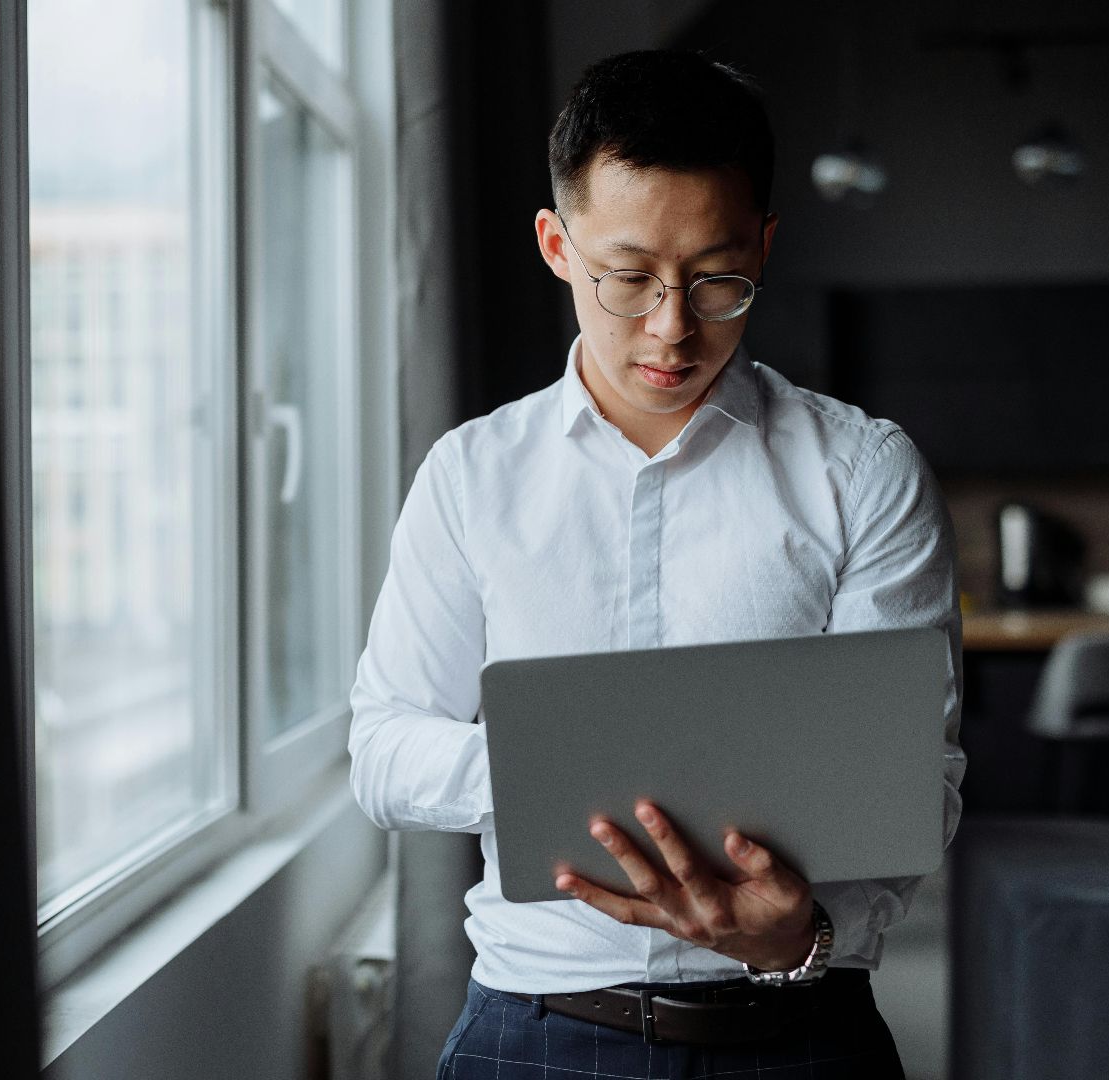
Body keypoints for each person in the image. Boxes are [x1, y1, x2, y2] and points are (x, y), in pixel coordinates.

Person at [347, 50, 962, 1078]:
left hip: (797, 1031)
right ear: (556, 244)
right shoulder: (470, 476)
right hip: (530, 1035)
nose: (671, 328)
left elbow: (919, 788)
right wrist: (564, 772)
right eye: (627, 277)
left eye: (715, 278)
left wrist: (789, 933)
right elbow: (382, 747)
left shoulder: (863, 471)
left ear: (764, 248)